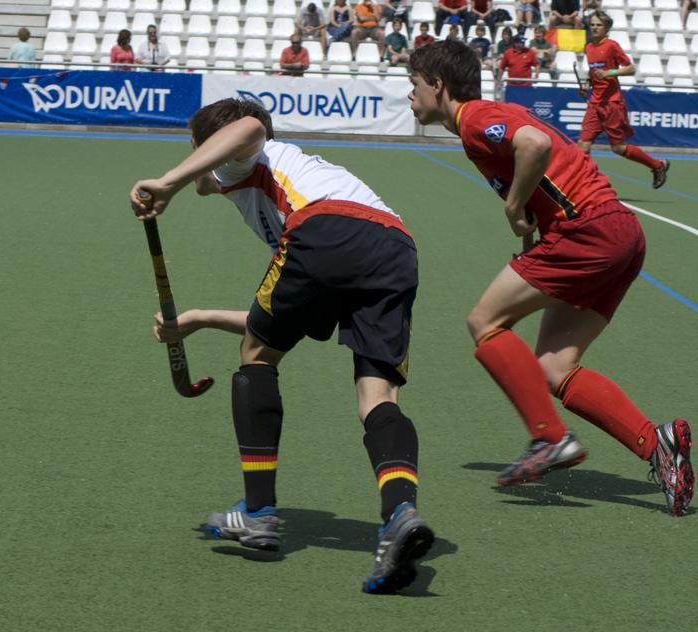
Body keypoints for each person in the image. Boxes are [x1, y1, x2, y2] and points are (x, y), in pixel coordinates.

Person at [129, 97, 435, 593]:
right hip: (395, 247)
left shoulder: (255, 154)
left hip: (326, 229)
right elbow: (276, 320)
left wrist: (169, 181)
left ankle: (257, 513)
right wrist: (199, 319)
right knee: (377, 396)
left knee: (257, 358)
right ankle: (400, 515)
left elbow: (249, 126)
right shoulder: (272, 183)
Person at [407, 38, 694, 517]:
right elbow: (544, 173)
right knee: (554, 369)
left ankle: (549, 438)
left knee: (484, 321)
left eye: (414, 83)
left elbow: (534, 146)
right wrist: (527, 231)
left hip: (587, 231)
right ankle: (656, 444)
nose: (410, 94)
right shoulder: (488, 117)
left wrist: (513, 205)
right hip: (621, 233)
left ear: (438, 85)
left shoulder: (474, 119)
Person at [578, 11, 669, 188]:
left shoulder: (612, 46)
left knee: (618, 148)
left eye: (599, 25)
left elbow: (631, 68)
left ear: (606, 28)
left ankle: (657, 165)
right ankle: (587, 184)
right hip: (595, 103)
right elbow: (593, 72)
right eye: (593, 24)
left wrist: (609, 72)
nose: (594, 28)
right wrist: (587, 84)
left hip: (612, 103)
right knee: (583, 145)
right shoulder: (588, 47)